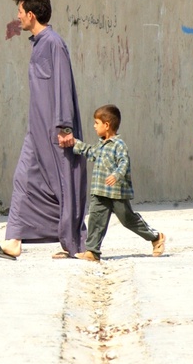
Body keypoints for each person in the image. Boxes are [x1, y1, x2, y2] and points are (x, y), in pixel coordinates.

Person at [0, 0, 88, 259]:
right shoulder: (38, 43)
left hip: (55, 130)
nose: (17, 19)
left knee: (63, 183)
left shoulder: (53, 43)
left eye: (19, 13)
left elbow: (62, 84)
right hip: (35, 130)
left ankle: (74, 243)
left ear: (31, 14)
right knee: (23, 179)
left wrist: (64, 127)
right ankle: (13, 239)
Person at [66, 104, 165, 261]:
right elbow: (91, 152)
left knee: (128, 220)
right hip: (99, 190)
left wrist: (116, 175)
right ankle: (92, 251)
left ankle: (156, 237)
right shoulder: (100, 144)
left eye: (96, 123)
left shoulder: (119, 145)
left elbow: (124, 162)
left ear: (106, 125)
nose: (94, 126)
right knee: (95, 219)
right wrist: (75, 143)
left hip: (117, 191)